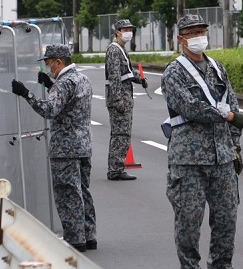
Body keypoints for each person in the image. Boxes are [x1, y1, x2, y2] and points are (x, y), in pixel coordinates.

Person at [160, 14, 243, 269]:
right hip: (188, 159)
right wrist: (227, 118)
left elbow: (233, 104)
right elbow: (190, 107)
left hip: (221, 156)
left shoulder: (217, 68)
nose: (199, 36)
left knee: (227, 215)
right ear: (181, 39)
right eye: (192, 33)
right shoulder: (173, 73)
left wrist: (234, 143)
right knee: (189, 219)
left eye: (202, 30)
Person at [10, 44, 97, 252]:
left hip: (65, 147)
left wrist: (26, 94)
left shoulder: (64, 83)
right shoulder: (82, 79)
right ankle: (89, 234)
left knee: (68, 192)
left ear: (59, 61)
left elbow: (50, 110)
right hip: (83, 144)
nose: (49, 69)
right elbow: (70, 105)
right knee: (83, 191)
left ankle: (75, 239)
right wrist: (51, 85)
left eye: (49, 64)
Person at [104, 19, 148, 181]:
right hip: (120, 99)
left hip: (124, 98)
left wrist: (140, 79)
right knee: (120, 134)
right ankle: (115, 169)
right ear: (117, 32)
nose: (129, 31)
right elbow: (114, 77)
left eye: (130, 28)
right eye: (125, 29)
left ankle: (116, 167)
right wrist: (118, 101)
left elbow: (126, 73)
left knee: (123, 134)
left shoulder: (120, 49)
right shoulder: (114, 50)